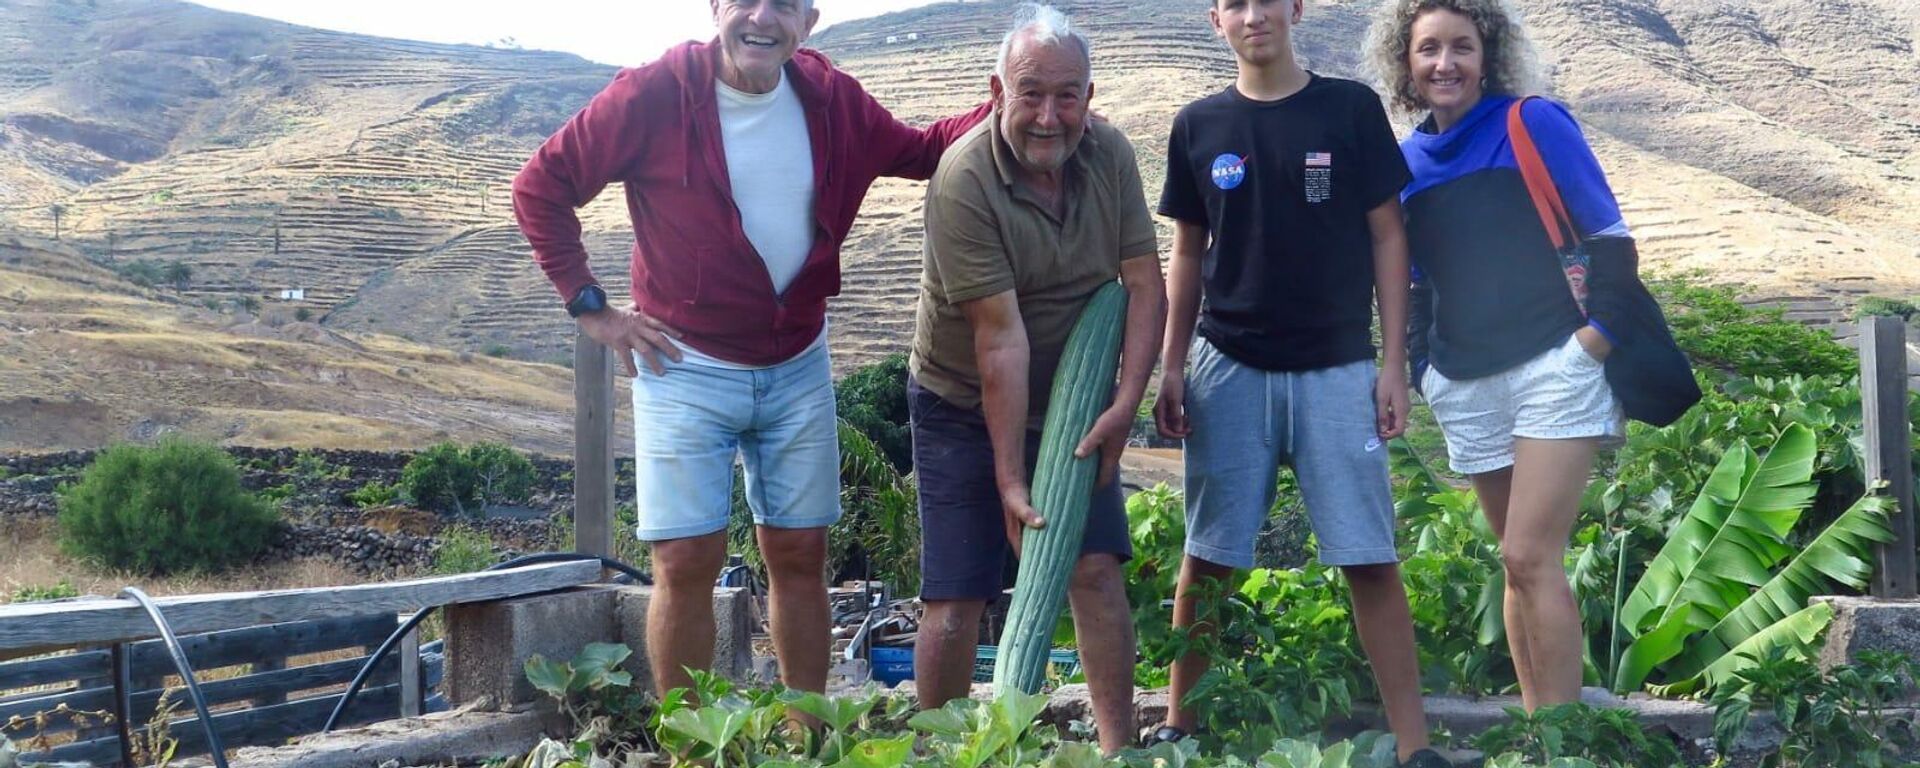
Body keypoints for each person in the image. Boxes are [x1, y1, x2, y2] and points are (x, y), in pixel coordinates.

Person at [511, 0, 985, 698]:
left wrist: (1015, 99)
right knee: (684, 560)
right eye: (746, 1)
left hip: (797, 361)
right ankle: (693, 747)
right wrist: (595, 311)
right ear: (716, 9)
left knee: (801, 554)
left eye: (785, 4)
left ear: (809, 21)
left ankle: (809, 734)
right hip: (684, 363)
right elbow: (540, 186)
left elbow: (919, 152)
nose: (762, 17)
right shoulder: (655, 93)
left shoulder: (832, 99)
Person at [1149, 1, 1443, 764]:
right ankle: (1182, 724)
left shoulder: (1348, 108)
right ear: (1216, 20)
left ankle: (1415, 746)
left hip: (1339, 364)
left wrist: (1390, 365)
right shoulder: (1198, 125)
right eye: (1235, 4)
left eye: (1267, 0)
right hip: (1229, 363)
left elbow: (1389, 235)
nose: (1255, 15)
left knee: (1369, 555)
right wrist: (1172, 364)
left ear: (1297, 9)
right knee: (1208, 554)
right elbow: (1186, 253)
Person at [907, 3, 1165, 755]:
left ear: (1090, 96)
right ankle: (943, 749)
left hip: (1074, 398)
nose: (1049, 116)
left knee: (1093, 570)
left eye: (1067, 95)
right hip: (962, 398)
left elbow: (1143, 283)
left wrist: (1124, 403)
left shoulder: (1110, 155)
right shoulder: (963, 179)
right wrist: (1011, 480)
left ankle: (1119, 749)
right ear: (997, 91)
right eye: (1031, 93)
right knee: (957, 596)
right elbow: (1000, 342)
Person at [1366, 0, 1631, 710]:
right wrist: (1425, 368)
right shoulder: (1406, 162)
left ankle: (1568, 737)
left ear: (1489, 57)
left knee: (1528, 556)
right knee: (1514, 568)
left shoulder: (1532, 122)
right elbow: (1415, 280)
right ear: (1406, 63)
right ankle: (1539, 732)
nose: (1444, 63)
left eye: (1461, 47)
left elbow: (1611, 237)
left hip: (1555, 366)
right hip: (1465, 381)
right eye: (1427, 50)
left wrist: (1591, 344)